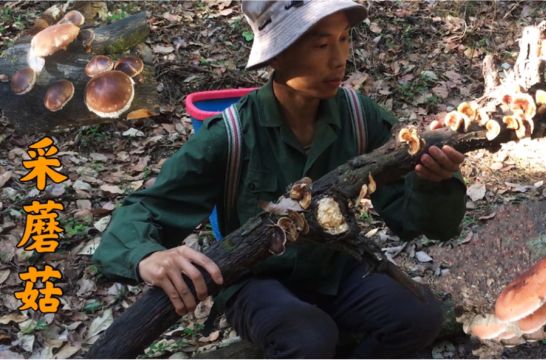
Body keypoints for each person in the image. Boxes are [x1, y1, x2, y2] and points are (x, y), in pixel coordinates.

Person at [93, 0, 467, 357]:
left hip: (336, 269)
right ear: (277, 54)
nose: (340, 59)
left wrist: (432, 181)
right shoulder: (232, 135)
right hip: (256, 283)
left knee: (419, 317)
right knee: (307, 338)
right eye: (321, 44)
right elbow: (142, 210)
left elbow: (413, 219)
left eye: (344, 39)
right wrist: (147, 256)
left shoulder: (357, 115)